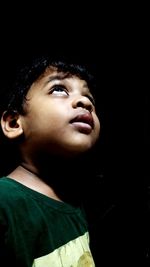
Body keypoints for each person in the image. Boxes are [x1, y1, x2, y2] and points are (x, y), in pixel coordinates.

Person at [0, 54, 100, 266]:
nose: (85, 102)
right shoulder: (4, 201)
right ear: (14, 123)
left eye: (90, 98)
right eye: (59, 89)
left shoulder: (73, 201)